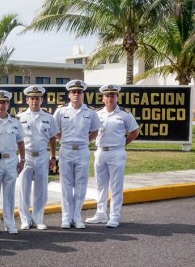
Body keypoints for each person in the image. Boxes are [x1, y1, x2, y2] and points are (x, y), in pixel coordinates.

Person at [85, 84, 139, 228]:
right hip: (100, 151)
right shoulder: (96, 114)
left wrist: (122, 144)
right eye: (107, 96)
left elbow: (134, 132)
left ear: (117, 97)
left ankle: (114, 216)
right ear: (103, 98)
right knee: (100, 185)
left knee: (116, 186)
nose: (110, 98)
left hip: (117, 152)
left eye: (112, 96)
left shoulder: (125, 114)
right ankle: (101, 213)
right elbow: (91, 131)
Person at [53, 79, 101, 229]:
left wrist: (84, 141)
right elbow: (55, 131)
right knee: (66, 185)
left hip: (82, 150)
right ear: (69, 94)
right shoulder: (61, 111)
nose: (76, 94)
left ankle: (77, 216)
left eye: (79, 92)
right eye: (73, 92)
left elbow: (95, 131)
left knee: (80, 184)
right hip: (66, 150)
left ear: (83, 94)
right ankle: (66, 217)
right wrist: (65, 140)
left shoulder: (90, 112)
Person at [16, 86, 59, 230]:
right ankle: (25, 219)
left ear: (42, 100)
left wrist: (53, 157)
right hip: (25, 156)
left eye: (37, 98)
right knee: (23, 189)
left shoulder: (48, 117)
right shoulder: (19, 117)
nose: (34, 101)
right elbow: (16, 139)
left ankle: (38, 218)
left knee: (41, 189)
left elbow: (53, 137)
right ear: (27, 100)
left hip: (41, 155)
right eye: (32, 98)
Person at [0, 90, 26, 235]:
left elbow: (20, 142)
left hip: (11, 161)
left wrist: (22, 160)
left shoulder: (15, 122)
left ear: (8, 104)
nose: (1, 105)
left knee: (9, 194)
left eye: (4, 102)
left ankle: (10, 223)